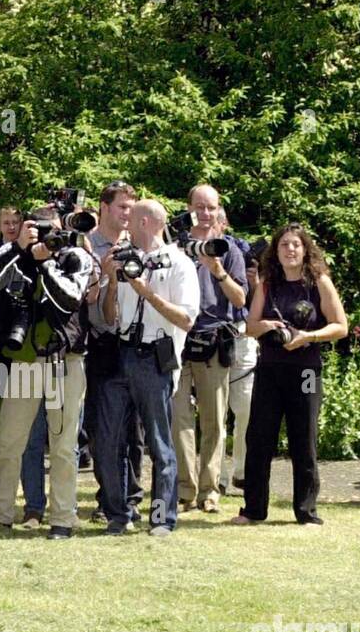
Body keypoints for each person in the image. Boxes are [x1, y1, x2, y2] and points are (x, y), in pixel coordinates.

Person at [0, 205, 93, 539]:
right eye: (40, 228)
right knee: (8, 441)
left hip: (64, 360)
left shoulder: (76, 256)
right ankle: (0, 512)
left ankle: (63, 517)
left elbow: (70, 300)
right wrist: (21, 249)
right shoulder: (16, 253)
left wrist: (45, 262)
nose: (48, 235)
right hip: (26, 360)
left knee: (62, 446)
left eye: (53, 228)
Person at [231, 223, 348, 526]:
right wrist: (268, 327)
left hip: (306, 369)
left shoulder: (318, 281)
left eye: (295, 244)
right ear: (276, 250)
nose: (290, 249)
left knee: (303, 438)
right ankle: (253, 509)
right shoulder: (269, 283)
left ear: (305, 249)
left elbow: (340, 326)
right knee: (259, 438)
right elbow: (249, 327)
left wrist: (308, 337)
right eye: (284, 244)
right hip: (270, 368)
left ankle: (306, 511)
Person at [95, 199, 199, 537]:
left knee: (158, 441)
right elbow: (110, 318)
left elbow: (186, 318)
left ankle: (161, 517)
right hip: (120, 353)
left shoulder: (179, 263)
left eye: (131, 217)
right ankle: (118, 513)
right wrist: (112, 281)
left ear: (145, 222)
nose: (124, 222)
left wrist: (147, 292)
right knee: (109, 439)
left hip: (155, 357)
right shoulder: (124, 260)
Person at [171, 185, 247, 512]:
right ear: (189, 209)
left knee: (214, 420)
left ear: (219, 211)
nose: (205, 213)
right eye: (199, 207)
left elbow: (241, 299)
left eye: (211, 207)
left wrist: (217, 269)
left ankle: (210, 490)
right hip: (176, 341)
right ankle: (185, 489)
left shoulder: (229, 250)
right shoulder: (173, 248)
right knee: (178, 418)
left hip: (214, 340)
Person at [84, 181, 145, 527]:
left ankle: (131, 499)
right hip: (101, 344)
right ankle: (108, 497)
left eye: (131, 208)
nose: (128, 214)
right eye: (122, 207)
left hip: (135, 342)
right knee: (102, 429)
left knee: (133, 431)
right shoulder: (86, 244)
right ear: (104, 207)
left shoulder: (140, 242)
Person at [219, 225, 263, 492]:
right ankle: (218, 477)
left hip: (243, 336)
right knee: (216, 413)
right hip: (214, 336)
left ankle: (243, 470)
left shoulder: (242, 253)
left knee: (246, 409)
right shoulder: (194, 251)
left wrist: (255, 281)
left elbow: (261, 303)